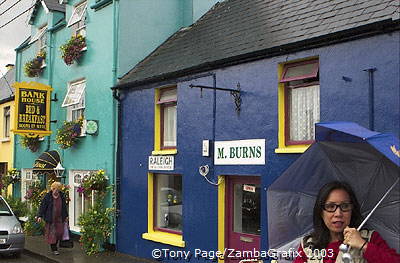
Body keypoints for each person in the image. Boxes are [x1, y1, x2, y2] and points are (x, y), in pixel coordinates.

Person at [293, 181, 400, 263]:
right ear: (321, 212)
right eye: (331, 206)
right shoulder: (309, 245)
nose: (338, 213)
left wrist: (363, 245)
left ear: (352, 210)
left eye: (345, 206)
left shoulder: (370, 238)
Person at [37, 182, 68, 255]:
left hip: (60, 218)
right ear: (52, 189)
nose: (57, 191)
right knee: (52, 234)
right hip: (51, 219)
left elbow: (64, 207)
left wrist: (66, 216)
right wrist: (39, 216)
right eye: (55, 190)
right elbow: (43, 206)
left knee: (59, 233)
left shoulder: (62, 196)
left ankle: (55, 245)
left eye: (58, 190)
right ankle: (54, 249)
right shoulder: (48, 197)